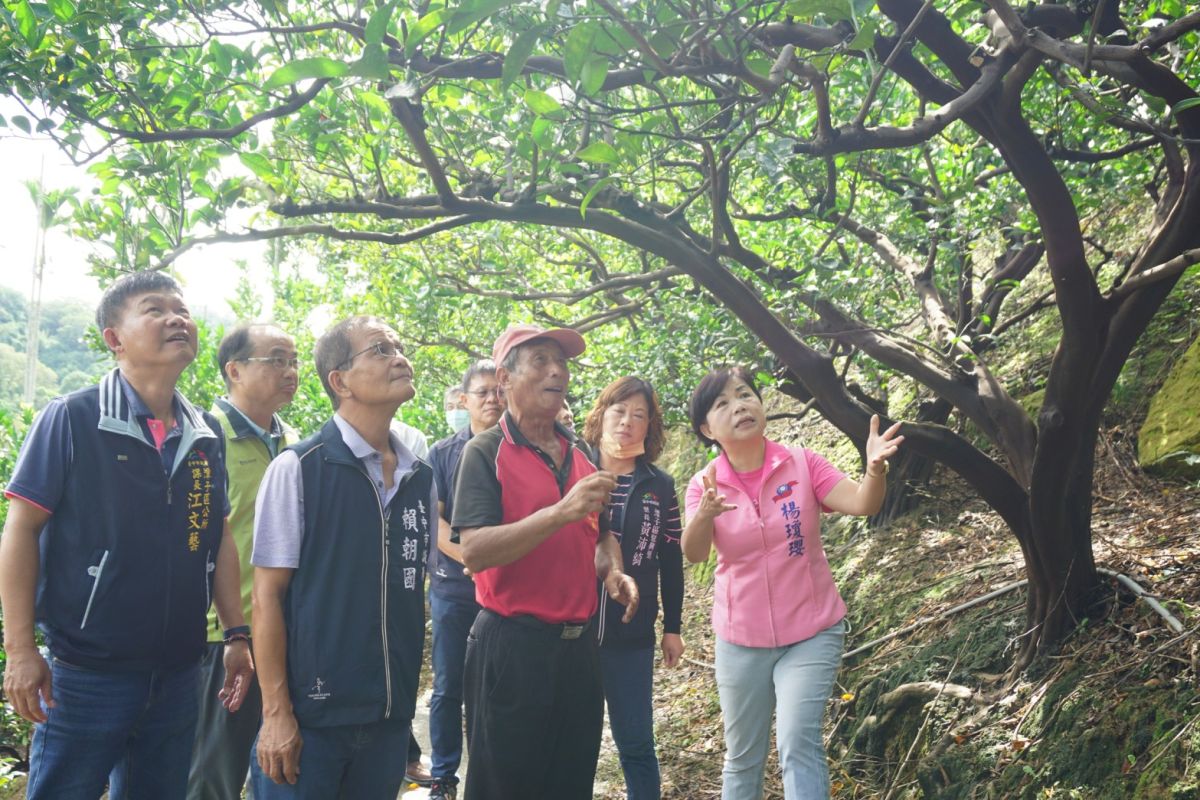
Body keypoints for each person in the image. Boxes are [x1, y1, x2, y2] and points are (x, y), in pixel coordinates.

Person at [0, 270, 253, 800]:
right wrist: (21, 650)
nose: (176, 318)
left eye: (181, 309)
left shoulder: (204, 435)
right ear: (114, 339)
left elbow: (219, 536)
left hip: (179, 672)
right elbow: (21, 530)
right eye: (154, 309)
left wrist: (236, 634)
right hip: (88, 673)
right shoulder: (73, 418)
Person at [681, 366, 903, 799]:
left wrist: (874, 470)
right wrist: (705, 515)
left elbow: (862, 503)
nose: (739, 406)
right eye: (722, 403)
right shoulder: (703, 485)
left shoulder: (802, 463)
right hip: (741, 639)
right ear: (707, 429)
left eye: (745, 395)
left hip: (812, 631)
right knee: (743, 756)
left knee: (798, 742)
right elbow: (694, 553)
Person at [250, 316, 435, 799]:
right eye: (379, 349)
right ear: (339, 380)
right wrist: (276, 713)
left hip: (389, 719)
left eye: (398, 345)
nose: (399, 357)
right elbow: (267, 598)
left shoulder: (420, 477)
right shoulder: (299, 469)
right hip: (312, 721)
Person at [451, 324, 639, 799]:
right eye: (540, 360)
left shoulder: (582, 452)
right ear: (505, 380)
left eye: (562, 362)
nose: (557, 370)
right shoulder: (485, 452)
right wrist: (559, 512)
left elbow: (601, 535)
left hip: (577, 651)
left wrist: (612, 571)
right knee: (504, 787)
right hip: (512, 646)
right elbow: (474, 549)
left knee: (570, 782)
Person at [187, 323, 300, 800]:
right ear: (234, 370)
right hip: (225, 637)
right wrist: (226, 626)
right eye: (276, 359)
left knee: (279, 762)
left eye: (293, 361)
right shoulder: (203, 437)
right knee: (214, 768)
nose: (290, 371)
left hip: (284, 630)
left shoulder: (294, 441)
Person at [581, 377, 685, 800]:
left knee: (637, 744)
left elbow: (671, 559)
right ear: (601, 414)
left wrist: (672, 627)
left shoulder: (659, 485)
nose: (627, 422)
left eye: (639, 415)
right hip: (574, 632)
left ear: (650, 426)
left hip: (632, 633)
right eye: (619, 410)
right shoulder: (573, 469)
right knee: (573, 745)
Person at [424, 359, 504, 800]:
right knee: (448, 684)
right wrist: (475, 558)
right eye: (483, 392)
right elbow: (437, 525)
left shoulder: (519, 449)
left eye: (499, 391)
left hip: (507, 593)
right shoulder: (442, 454)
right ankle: (443, 777)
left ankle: (489, 777)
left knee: (497, 688)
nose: (493, 399)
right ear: (464, 400)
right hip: (455, 588)